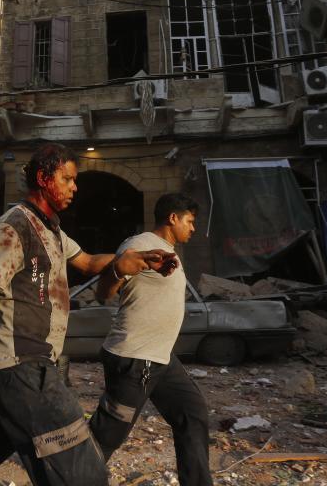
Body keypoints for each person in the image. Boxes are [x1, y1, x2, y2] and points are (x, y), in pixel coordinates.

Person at [0, 143, 169, 486]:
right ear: (45, 179)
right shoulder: (13, 228)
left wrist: (135, 259)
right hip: (22, 367)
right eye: (67, 179)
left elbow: (88, 262)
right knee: (81, 469)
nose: (75, 187)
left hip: (23, 369)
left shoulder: (51, 230)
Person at [89, 193, 212, 486]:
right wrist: (119, 268)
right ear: (173, 218)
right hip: (134, 359)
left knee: (192, 413)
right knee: (106, 436)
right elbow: (103, 292)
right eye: (190, 221)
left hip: (160, 358)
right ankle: (66, 477)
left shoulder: (167, 250)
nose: (193, 229)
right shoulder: (140, 245)